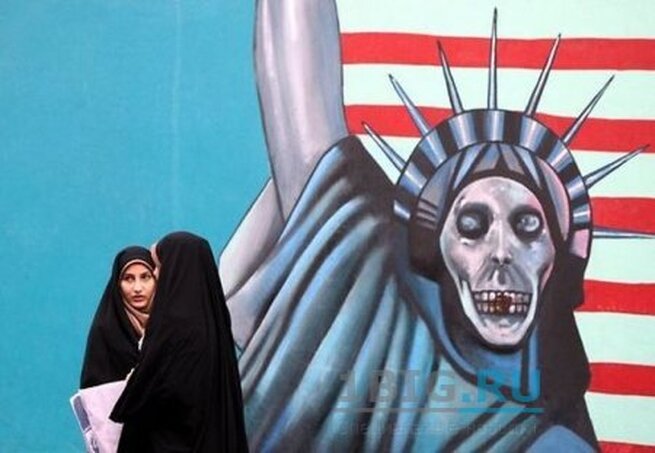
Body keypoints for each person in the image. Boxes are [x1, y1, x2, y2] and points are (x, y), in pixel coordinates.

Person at [110, 231, 248, 452]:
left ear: (175, 269)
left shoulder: (173, 328)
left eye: (158, 267)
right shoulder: (214, 322)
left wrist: (135, 381)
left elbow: (154, 394)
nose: (156, 275)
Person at [80, 246, 157, 389]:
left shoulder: (168, 326)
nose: (137, 288)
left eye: (145, 277)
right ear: (118, 284)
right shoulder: (105, 330)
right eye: (128, 279)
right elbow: (94, 388)